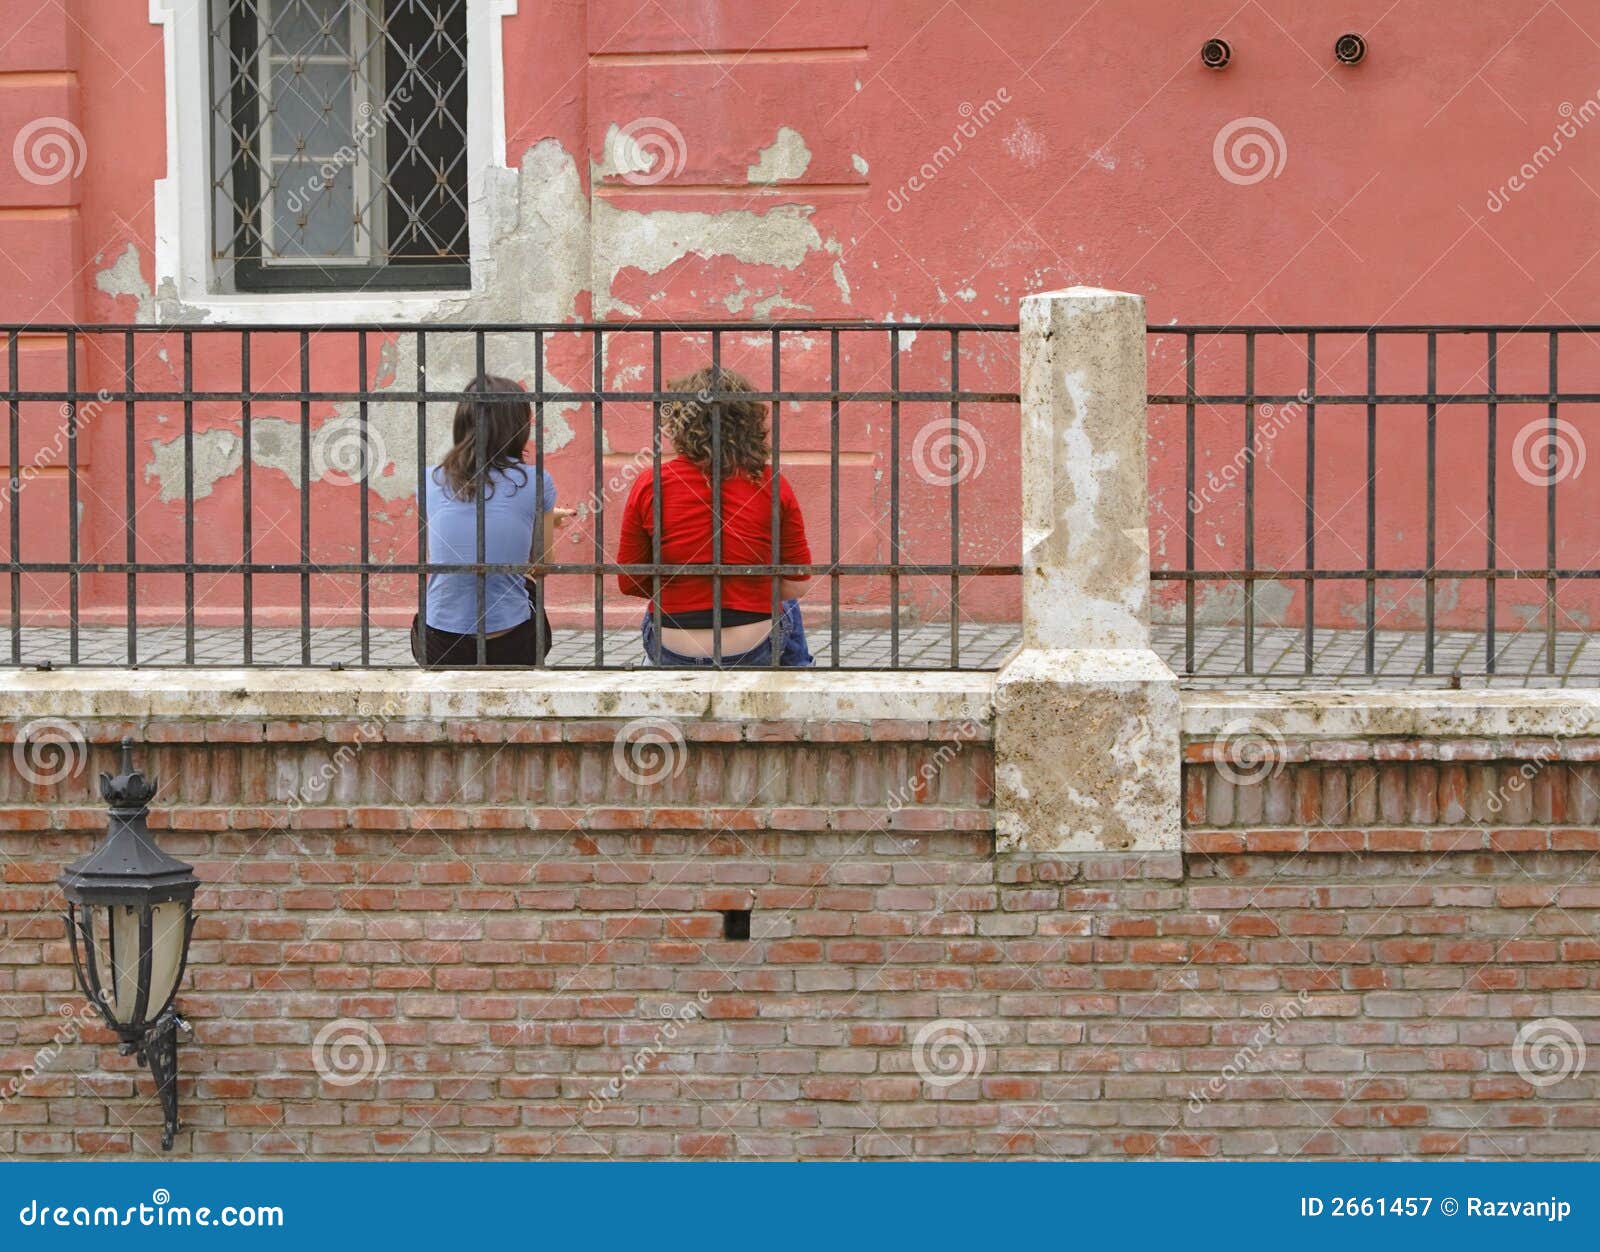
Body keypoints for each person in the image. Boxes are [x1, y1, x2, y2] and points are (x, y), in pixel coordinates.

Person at [616, 365, 814, 667]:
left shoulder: (651, 481)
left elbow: (629, 582)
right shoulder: (771, 482)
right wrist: (748, 589)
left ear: (679, 424)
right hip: (756, 646)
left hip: (673, 648)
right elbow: (797, 582)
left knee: (657, 607)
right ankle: (800, 674)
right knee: (787, 604)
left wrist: (685, 587)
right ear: (748, 421)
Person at [412, 374, 569, 667]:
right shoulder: (537, 481)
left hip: (440, 640)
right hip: (510, 640)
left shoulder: (428, 479)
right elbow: (542, 564)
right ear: (519, 428)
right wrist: (548, 522)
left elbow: (446, 549)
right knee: (529, 588)